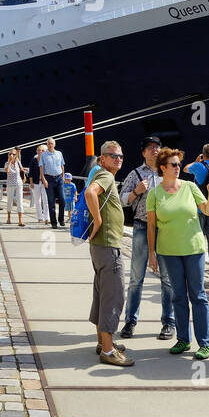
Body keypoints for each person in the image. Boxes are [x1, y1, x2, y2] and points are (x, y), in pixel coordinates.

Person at [147, 146, 209, 359]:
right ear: (163, 168)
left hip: (193, 249)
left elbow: (208, 211)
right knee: (177, 296)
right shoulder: (154, 193)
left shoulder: (190, 187)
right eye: (174, 165)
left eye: (179, 164)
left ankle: (204, 343)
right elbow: (151, 226)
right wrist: (152, 253)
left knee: (198, 295)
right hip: (168, 251)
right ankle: (183, 340)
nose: (178, 168)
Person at [119, 135, 176, 341]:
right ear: (143, 153)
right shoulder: (135, 174)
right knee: (136, 277)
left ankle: (169, 323)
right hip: (142, 227)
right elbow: (121, 199)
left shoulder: (167, 173)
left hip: (165, 228)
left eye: (157, 147)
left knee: (168, 279)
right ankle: (130, 321)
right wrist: (136, 191)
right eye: (150, 147)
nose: (154, 150)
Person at [85, 140, 132, 366]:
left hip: (101, 247)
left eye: (120, 156)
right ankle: (108, 350)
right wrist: (98, 220)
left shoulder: (104, 175)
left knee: (102, 294)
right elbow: (90, 193)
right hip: (108, 246)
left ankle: (103, 342)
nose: (118, 159)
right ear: (102, 159)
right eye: (113, 155)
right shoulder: (106, 176)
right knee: (113, 296)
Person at [184, 143, 209, 272]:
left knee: (198, 234)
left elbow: (185, 169)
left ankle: (197, 261)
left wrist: (196, 160)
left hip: (200, 206)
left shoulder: (198, 166)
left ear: (203, 154)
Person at [39, 137, 66, 228]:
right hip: (49, 179)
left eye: (51, 143)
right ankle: (54, 222)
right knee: (51, 202)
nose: (50, 145)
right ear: (47, 145)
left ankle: (61, 219)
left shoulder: (59, 153)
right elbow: (41, 168)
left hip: (59, 178)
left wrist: (62, 177)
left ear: (54, 144)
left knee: (62, 199)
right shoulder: (43, 155)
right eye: (48, 144)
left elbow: (62, 165)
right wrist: (44, 180)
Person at [4, 148, 25, 226]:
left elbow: (21, 170)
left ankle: (20, 220)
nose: (11, 155)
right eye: (10, 154)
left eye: (13, 154)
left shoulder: (18, 162)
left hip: (18, 184)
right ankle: (9, 218)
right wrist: (10, 161)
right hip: (10, 184)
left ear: (16, 155)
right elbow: (7, 170)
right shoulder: (6, 163)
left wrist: (24, 177)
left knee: (20, 201)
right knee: (10, 201)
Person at [27, 144, 47, 223]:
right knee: (37, 200)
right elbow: (30, 172)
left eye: (42, 150)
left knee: (45, 200)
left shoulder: (46, 160)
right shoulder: (34, 160)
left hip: (44, 182)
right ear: (36, 151)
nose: (40, 152)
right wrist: (31, 182)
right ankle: (40, 217)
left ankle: (47, 217)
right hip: (35, 182)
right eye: (39, 150)